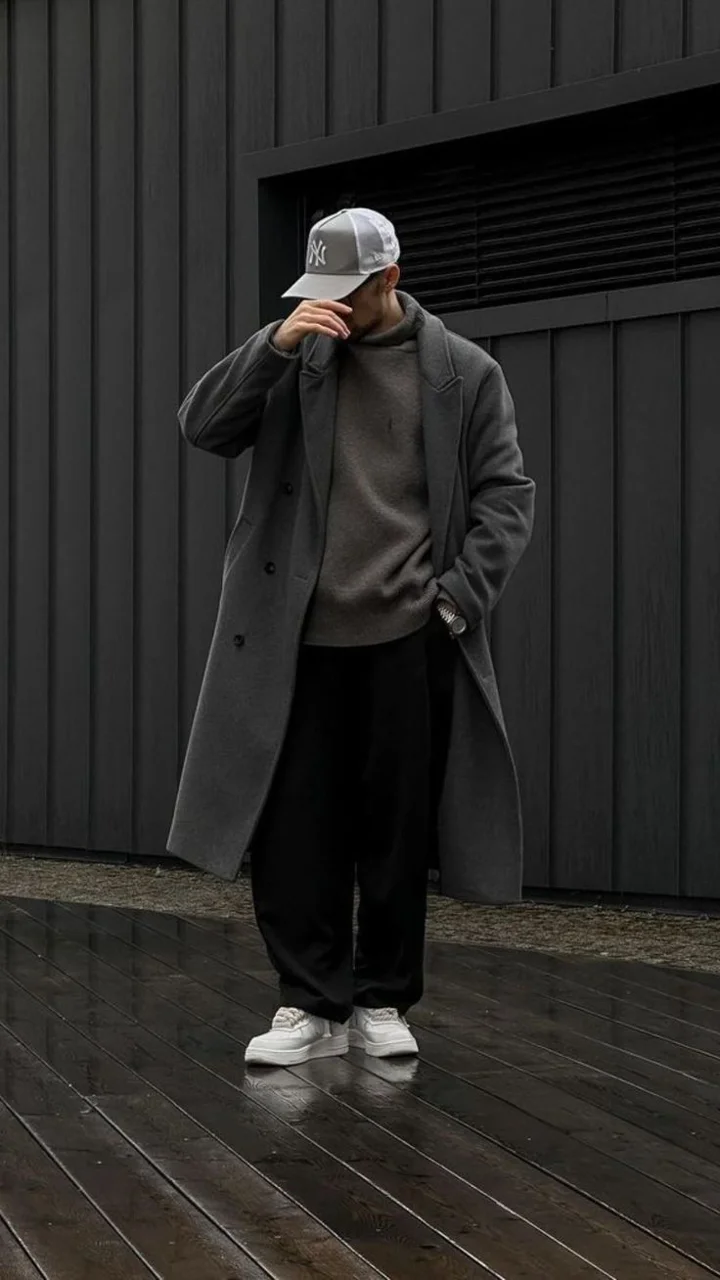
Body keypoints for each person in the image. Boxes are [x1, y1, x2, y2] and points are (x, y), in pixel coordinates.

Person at [167, 207, 535, 1068]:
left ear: (390, 280)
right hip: (294, 643)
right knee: (294, 830)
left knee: (396, 833)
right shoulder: (298, 357)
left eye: (347, 290)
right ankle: (309, 1003)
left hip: (408, 634)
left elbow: (507, 497)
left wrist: (453, 602)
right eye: (317, 288)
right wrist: (274, 344)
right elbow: (203, 426)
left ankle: (381, 999)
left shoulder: (464, 372)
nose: (329, 304)